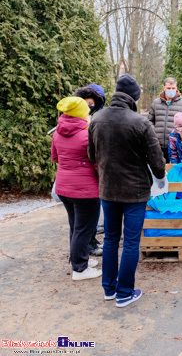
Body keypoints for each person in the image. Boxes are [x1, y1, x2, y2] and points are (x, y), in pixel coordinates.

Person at [88, 74, 166, 308]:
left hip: (108, 189)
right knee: (131, 242)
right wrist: (160, 178)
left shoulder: (97, 118)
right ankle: (124, 293)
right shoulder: (140, 122)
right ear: (134, 97)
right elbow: (158, 164)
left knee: (111, 238)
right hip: (135, 192)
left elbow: (92, 155)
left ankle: (109, 289)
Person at [51, 96, 101, 281]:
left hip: (64, 188)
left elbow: (55, 157)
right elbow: (96, 163)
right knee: (83, 228)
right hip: (85, 190)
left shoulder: (57, 132)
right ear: (81, 114)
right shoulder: (86, 136)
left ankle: (79, 260)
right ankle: (80, 269)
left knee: (75, 225)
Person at [74, 84, 106, 255]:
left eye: (91, 102)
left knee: (82, 221)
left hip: (86, 178)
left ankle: (85, 247)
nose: (89, 106)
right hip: (85, 179)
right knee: (83, 220)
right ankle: (81, 258)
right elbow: (92, 153)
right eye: (86, 103)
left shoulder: (97, 118)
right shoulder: (81, 126)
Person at [148, 77, 182, 162]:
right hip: (158, 145)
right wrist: (154, 132)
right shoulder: (156, 103)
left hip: (176, 147)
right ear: (164, 88)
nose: (171, 90)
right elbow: (149, 121)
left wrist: (180, 133)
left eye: (173, 88)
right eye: (169, 88)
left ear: (176, 88)